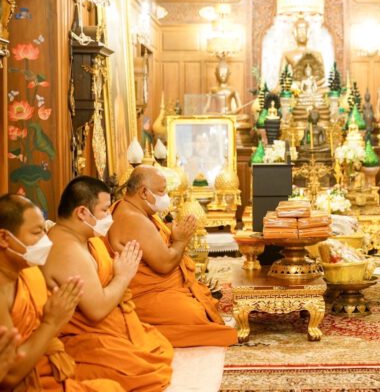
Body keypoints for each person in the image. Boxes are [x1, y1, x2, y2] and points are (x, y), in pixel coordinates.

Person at [42, 177, 174, 390]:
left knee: (157, 346)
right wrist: (123, 276)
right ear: (82, 212)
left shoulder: (85, 237)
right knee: (146, 372)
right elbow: (96, 310)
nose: (110, 217)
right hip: (83, 337)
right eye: (104, 210)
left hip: (108, 327)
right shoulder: (67, 250)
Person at [0, 193, 123, 390]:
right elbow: (9, 374)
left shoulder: (29, 271)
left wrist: (58, 314)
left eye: (44, 230)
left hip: (51, 364)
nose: (46, 240)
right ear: (4, 238)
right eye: (36, 233)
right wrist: (51, 322)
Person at [108, 165, 238, 348]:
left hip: (161, 288)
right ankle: (139, 329)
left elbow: (155, 244)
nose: (165, 197)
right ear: (144, 192)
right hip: (144, 296)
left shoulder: (133, 209)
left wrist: (172, 234)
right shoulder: (134, 219)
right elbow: (165, 264)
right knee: (195, 315)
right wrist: (181, 240)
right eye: (161, 191)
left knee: (201, 300)